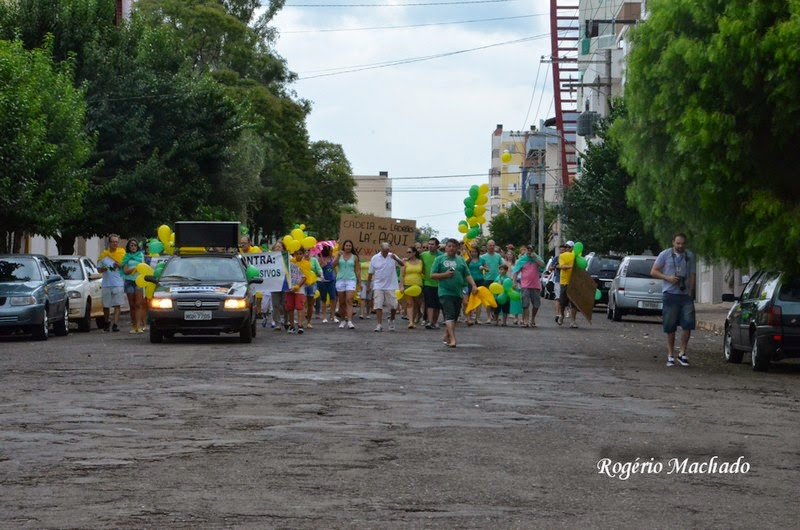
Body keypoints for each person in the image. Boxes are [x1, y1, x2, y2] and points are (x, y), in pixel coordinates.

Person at [651, 233, 696, 367]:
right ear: (673, 243)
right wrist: (668, 278)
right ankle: (670, 354)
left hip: (685, 295)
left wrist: (691, 291)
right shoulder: (665, 254)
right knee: (670, 325)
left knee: (688, 323)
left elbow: (692, 274)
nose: (680, 246)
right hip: (670, 294)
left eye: (683, 243)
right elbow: (653, 271)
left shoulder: (689, 256)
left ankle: (682, 352)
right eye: (678, 243)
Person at [431, 238, 478, 348]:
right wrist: (445, 275)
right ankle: (453, 339)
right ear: (446, 248)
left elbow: (467, 274)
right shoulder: (439, 259)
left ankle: (446, 335)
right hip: (445, 291)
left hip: (458, 292)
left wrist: (474, 285)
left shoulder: (461, 260)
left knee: (455, 316)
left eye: (454, 246)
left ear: (457, 248)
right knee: (450, 314)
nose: (451, 248)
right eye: (449, 246)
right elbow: (432, 275)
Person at [368, 242, 405, 332]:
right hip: (378, 285)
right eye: (384, 250)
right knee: (378, 305)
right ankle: (379, 324)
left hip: (391, 285)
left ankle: (391, 319)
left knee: (394, 306)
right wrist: (369, 285)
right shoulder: (375, 258)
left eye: (388, 250)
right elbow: (370, 273)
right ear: (381, 249)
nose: (386, 252)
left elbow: (402, 264)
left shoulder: (393, 256)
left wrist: (396, 259)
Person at [96, 234, 126, 332]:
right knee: (106, 306)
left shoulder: (122, 254)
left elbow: (126, 268)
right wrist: (103, 269)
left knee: (117, 305)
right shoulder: (104, 255)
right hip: (106, 284)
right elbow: (99, 270)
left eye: (116, 242)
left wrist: (119, 265)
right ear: (109, 243)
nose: (115, 244)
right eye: (113, 242)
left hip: (118, 284)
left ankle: (115, 324)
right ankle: (106, 321)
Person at [513, 244, 545, 327]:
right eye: (528, 249)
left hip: (535, 285)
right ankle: (526, 320)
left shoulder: (537, 258)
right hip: (525, 285)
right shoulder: (522, 259)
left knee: (536, 304)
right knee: (525, 304)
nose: (530, 251)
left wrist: (535, 258)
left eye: (531, 249)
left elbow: (542, 266)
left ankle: (533, 318)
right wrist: (514, 282)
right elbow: (516, 271)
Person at [333, 239, 360, 329]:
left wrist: (359, 282)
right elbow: (332, 265)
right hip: (340, 279)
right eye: (346, 245)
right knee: (341, 302)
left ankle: (350, 321)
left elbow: (357, 270)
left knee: (349, 300)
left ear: (352, 247)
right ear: (343, 246)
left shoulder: (354, 257)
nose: (348, 247)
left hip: (351, 279)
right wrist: (338, 256)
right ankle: (342, 320)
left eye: (350, 246)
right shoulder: (339, 255)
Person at [121, 238, 146, 333]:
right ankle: (134, 325)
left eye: (135, 245)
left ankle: (139, 326)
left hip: (139, 281)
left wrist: (139, 268)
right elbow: (125, 271)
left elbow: (144, 268)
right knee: (132, 305)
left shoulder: (141, 256)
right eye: (131, 245)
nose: (133, 247)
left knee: (138, 304)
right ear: (128, 247)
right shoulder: (126, 256)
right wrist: (135, 268)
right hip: (129, 282)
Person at [479, 240, 505, 324]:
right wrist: (483, 268)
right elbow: (480, 267)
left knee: (496, 299)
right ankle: (489, 317)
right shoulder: (483, 257)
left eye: (493, 245)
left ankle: (495, 314)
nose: (492, 247)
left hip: (497, 280)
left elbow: (502, 266)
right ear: (487, 246)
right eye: (490, 245)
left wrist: (502, 277)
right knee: (488, 299)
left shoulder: (498, 256)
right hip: (487, 279)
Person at [420, 237, 443, 329]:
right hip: (427, 282)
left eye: (432, 244)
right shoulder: (423, 255)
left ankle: (435, 322)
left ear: (437, 246)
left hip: (439, 283)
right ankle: (429, 322)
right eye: (429, 244)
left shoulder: (442, 256)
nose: (430, 246)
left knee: (437, 304)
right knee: (429, 303)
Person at [400, 246, 424, 328]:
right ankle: (411, 322)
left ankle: (416, 316)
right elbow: (402, 275)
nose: (408, 254)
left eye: (409, 252)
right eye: (407, 252)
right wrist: (401, 286)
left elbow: (423, 272)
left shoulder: (420, 262)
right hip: (407, 284)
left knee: (417, 304)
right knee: (409, 303)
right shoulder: (404, 262)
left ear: (414, 253)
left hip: (418, 285)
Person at [284, 249, 307, 334]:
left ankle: (300, 325)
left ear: (303, 254)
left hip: (299, 289)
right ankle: (292, 325)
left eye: (300, 254)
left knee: (299, 306)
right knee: (290, 307)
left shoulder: (305, 264)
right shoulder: (290, 263)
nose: (298, 255)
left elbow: (304, 277)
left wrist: (297, 287)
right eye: (297, 254)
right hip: (289, 288)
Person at [557, 240, 578, 328]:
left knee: (574, 303)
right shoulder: (562, 256)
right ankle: (562, 315)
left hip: (574, 282)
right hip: (564, 281)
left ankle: (573, 321)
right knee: (562, 302)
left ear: (572, 248)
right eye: (566, 247)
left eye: (569, 247)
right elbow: (562, 266)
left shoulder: (576, 256)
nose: (567, 248)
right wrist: (571, 266)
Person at [269, 240, 288, 331]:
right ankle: (277, 323)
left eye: (279, 247)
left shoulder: (287, 257)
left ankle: (286, 320)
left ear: (283, 249)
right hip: (274, 284)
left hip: (285, 283)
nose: (278, 248)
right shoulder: (270, 258)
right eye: (276, 247)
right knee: (275, 304)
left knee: (285, 304)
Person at [316, 245, 338, 324]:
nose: (331, 251)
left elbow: (334, 267)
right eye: (330, 249)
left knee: (333, 298)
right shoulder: (319, 259)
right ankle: (324, 317)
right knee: (323, 299)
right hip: (322, 281)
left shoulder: (332, 258)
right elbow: (317, 271)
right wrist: (323, 265)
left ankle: (333, 315)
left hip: (331, 280)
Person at [302, 248, 323, 329]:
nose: (306, 252)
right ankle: (302, 321)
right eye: (305, 250)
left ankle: (309, 321)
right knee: (303, 302)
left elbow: (319, 269)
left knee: (310, 303)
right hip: (302, 283)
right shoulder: (300, 259)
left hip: (312, 283)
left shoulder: (314, 260)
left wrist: (321, 275)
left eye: (308, 250)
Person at [464, 246, 485, 326]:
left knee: (479, 300)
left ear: (478, 252)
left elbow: (487, 269)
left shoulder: (482, 260)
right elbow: (464, 266)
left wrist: (483, 268)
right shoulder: (468, 260)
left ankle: (477, 318)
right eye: (472, 252)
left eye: (475, 252)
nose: (474, 253)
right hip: (470, 281)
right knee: (469, 299)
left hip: (480, 280)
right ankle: (468, 317)